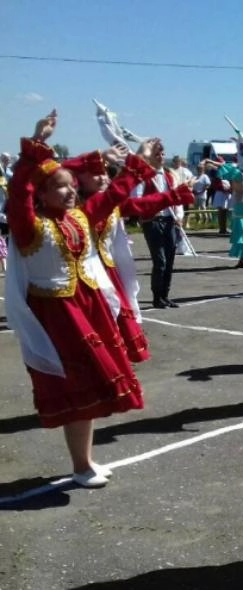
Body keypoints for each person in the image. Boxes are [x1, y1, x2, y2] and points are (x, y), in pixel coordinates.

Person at [5, 111, 145, 488]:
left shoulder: (79, 218)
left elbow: (112, 195)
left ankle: (86, 460)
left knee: (92, 388)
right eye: (60, 187)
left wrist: (138, 161)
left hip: (88, 307)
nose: (70, 191)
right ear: (42, 193)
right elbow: (18, 192)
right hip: (58, 315)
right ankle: (81, 465)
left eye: (71, 186)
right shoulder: (30, 227)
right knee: (76, 388)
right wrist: (37, 140)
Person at [66, 142, 194, 362]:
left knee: (117, 322)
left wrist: (175, 195)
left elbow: (140, 205)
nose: (103, 177)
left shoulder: (110, 203)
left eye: (105, 173)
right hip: (83, 279)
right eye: (95, 173)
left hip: (108, 272)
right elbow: (64, 172)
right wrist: (101, 156)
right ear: (78, 179)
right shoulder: (74, 210)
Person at [131, 139, 182, 308]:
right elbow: (136, 198)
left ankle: (165, 295)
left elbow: (177, 197)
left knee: (170, 259)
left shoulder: (168, 176)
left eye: (162, 154)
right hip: (152, 221)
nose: (160, 157)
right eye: (156, 154)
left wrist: (179, 216)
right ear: (150, 157)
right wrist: (149, 207)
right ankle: (157, 297)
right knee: (160, 260)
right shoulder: (145, 176)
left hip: (169, 221)